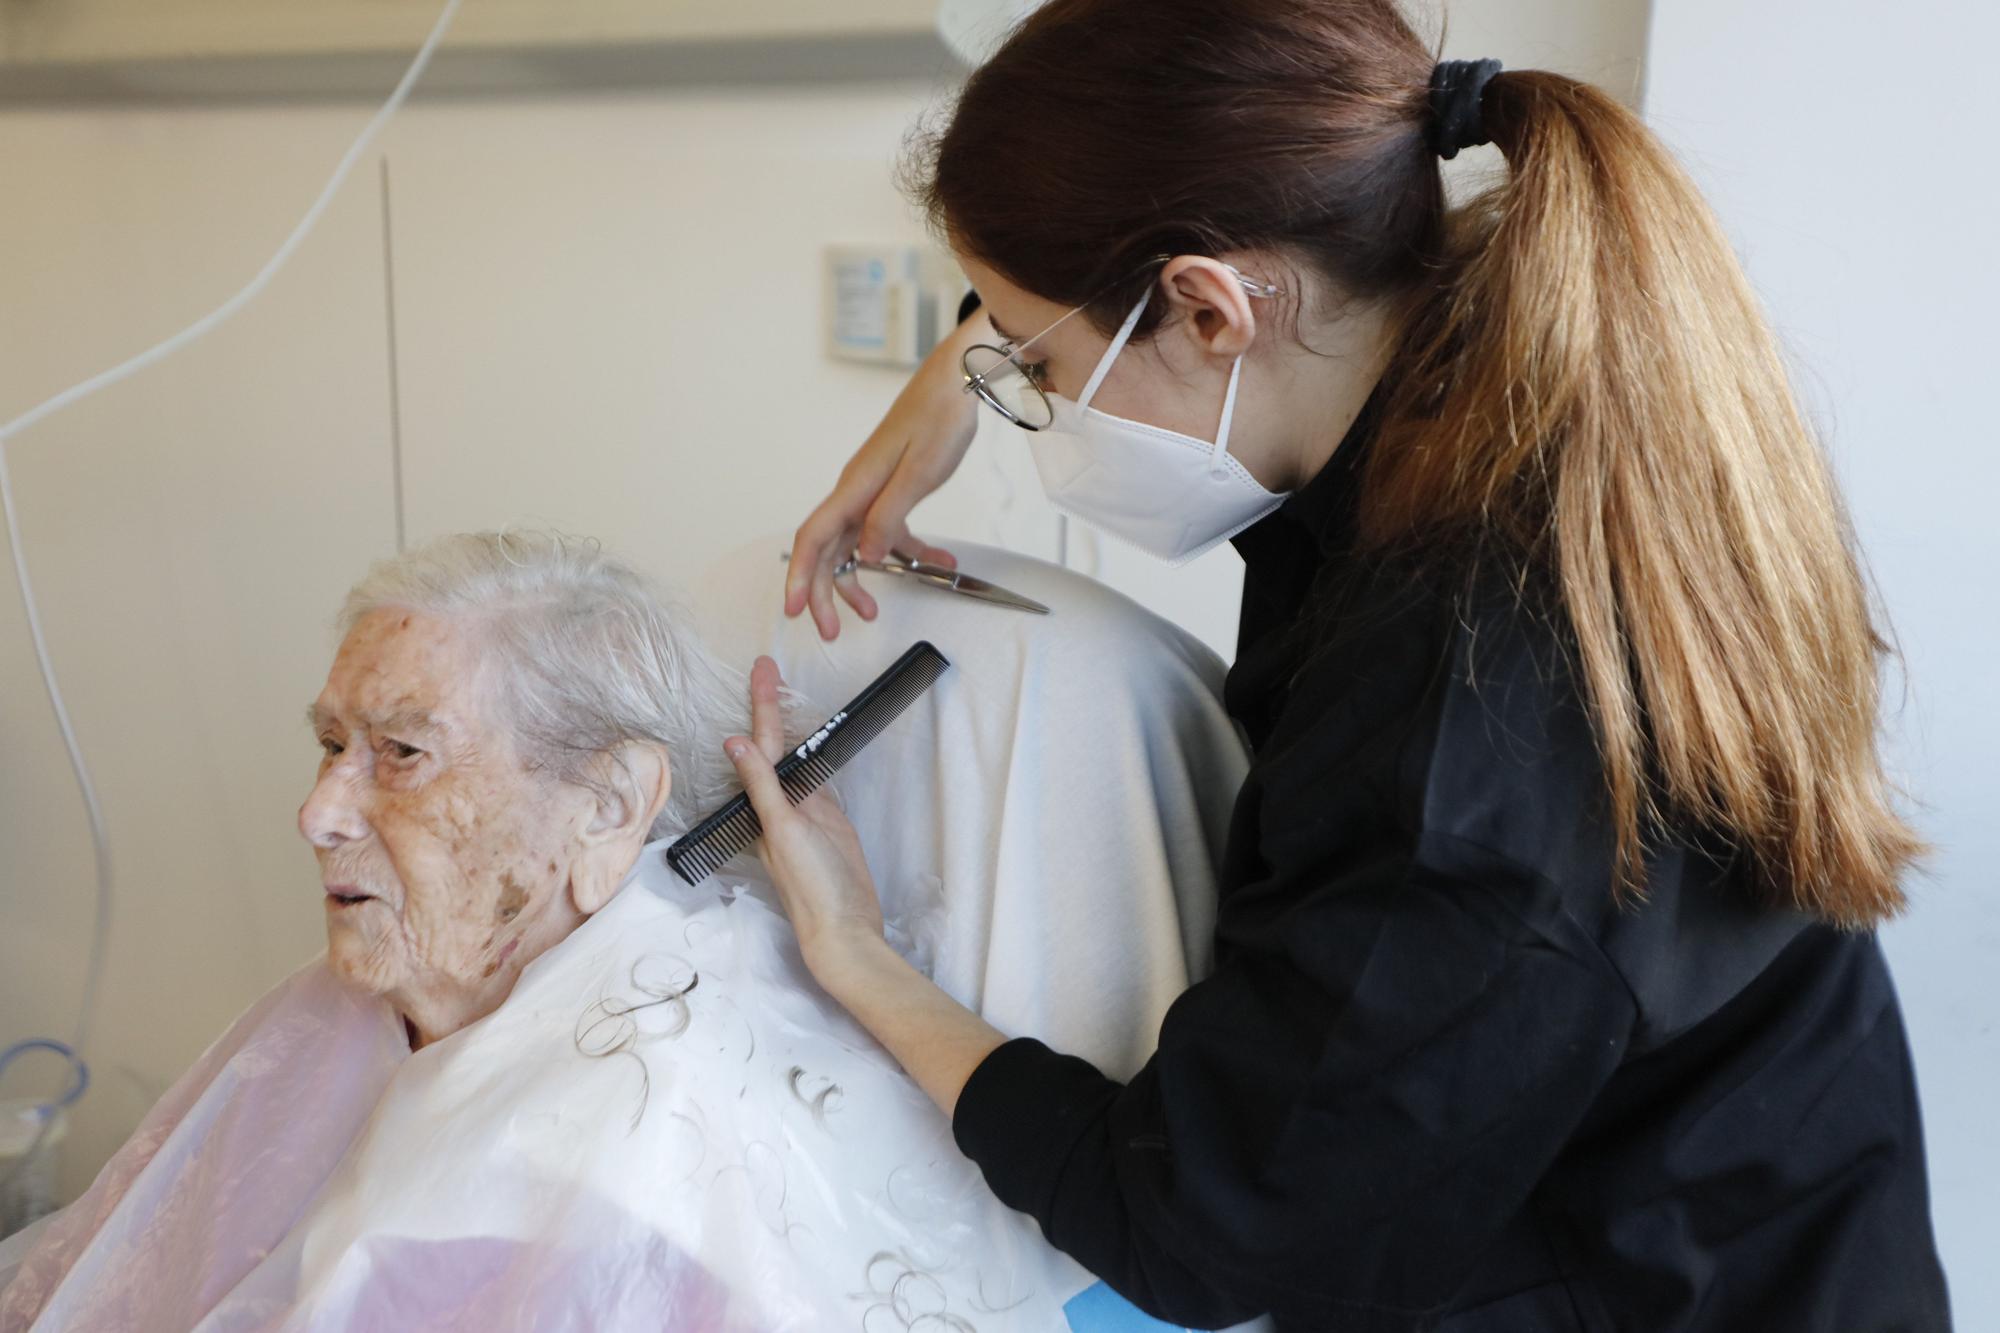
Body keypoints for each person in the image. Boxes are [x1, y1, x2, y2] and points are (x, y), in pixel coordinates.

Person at [738, 2, 1953, 1329]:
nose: (1027, 405)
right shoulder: (1497, 350)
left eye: (1034, 368)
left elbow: (1202, 1229)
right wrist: (967, 358)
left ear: (1208, 306)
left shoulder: (1462, 717)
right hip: (1775, 1171)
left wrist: (859, 956)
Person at [2, 530, 1256, 1331]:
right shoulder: (378, 985)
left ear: (609, 805)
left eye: (400, 754)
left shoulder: (645, 1116)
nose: (318, 812)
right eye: (331, 743)